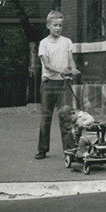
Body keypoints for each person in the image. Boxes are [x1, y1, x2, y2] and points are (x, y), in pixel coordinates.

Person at [35, 9, 80, 159]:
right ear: (48, 25)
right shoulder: (43, 43)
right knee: (46, 118)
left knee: (66, 117)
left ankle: (69, 150)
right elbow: (47, 65)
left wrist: (73, 69)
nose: (58, 28)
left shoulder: (67, 41)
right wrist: (64, 71)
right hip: (48, 85)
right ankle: (42, 149)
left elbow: (70, 59)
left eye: (60, 25)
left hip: (63, 85)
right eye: (55, 25)